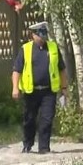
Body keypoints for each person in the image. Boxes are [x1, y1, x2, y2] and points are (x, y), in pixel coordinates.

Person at [11, 21, 68, 154]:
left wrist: (64, 87)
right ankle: (27, 143)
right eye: (40, 35)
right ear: (33, 35)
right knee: (29, 119)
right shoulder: (25, 49)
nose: (43, 39)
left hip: (49, 91)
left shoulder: (53, 48)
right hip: (31, 91)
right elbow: (16, 71)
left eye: (44, 35)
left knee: (47, 119)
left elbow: (62, 69)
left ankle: (44, 147)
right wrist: (15, 88)